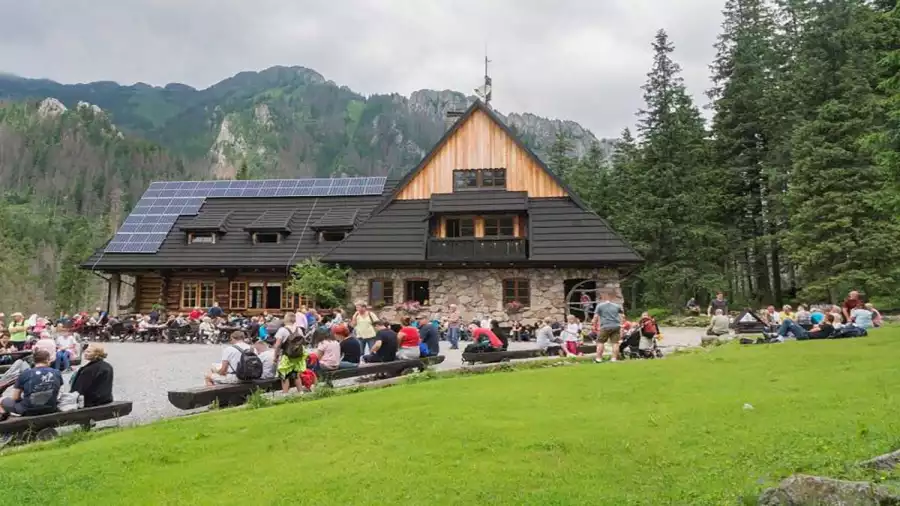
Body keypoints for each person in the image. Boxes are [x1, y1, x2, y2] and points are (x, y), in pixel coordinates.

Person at [0, 349, 62, 420]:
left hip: (28, 411)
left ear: (34, 360)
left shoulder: (25, 374)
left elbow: (15, 397)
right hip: (51, 408)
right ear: (48, 360)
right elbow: (56, 391)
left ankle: (4, 418)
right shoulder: (57, 372)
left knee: (1, 400)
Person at [592, 292, 623, 363]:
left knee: (600, 342)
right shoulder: (617, 306)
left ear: (603, 298)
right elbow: (622, 316)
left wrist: (594, 325)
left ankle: (598, 359)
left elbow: (595, 317)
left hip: (605, 326)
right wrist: (621, 324)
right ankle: (614, 359)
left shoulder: (600, 306)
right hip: (616, 326)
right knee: (615, 343)